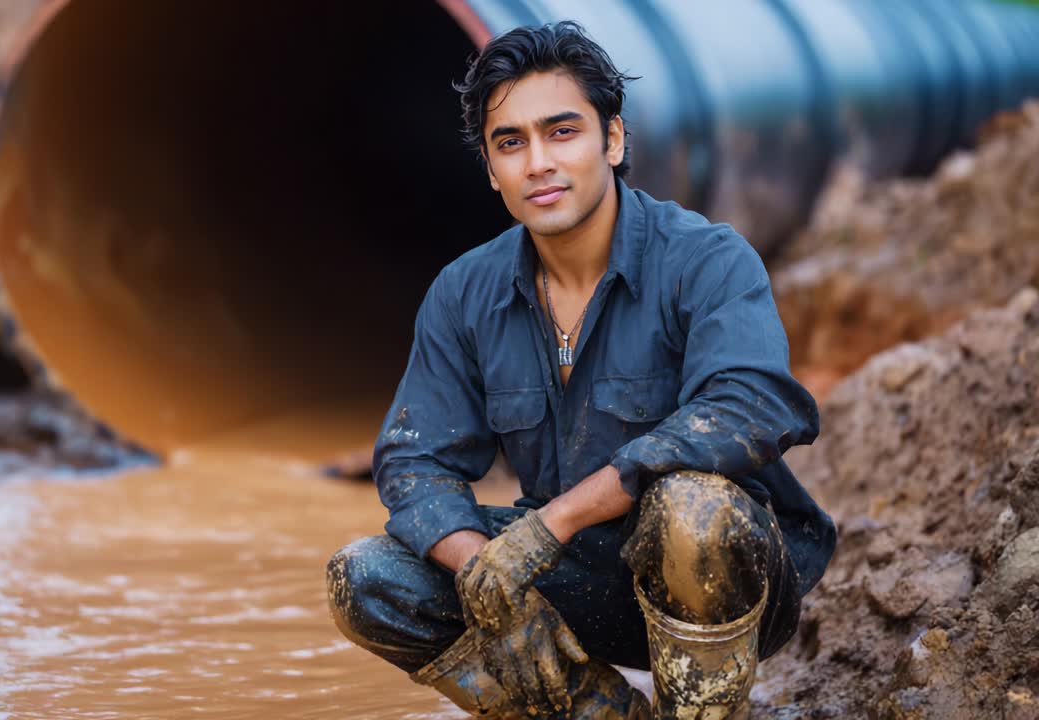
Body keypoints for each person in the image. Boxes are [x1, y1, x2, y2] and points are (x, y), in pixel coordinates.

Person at [326, 21, 835, 719]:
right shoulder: (464, 292)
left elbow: (750, 405)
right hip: (575, 582)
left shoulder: (706, 259)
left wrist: (556, 521)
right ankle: (600, 712)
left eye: (562, 132)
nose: (538, 163)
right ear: (490, 168)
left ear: (614, 140)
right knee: (369, 579)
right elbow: (415, 464)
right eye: (512, 142)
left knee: (692, 508)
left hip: (722, 572)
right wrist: (488, 576)